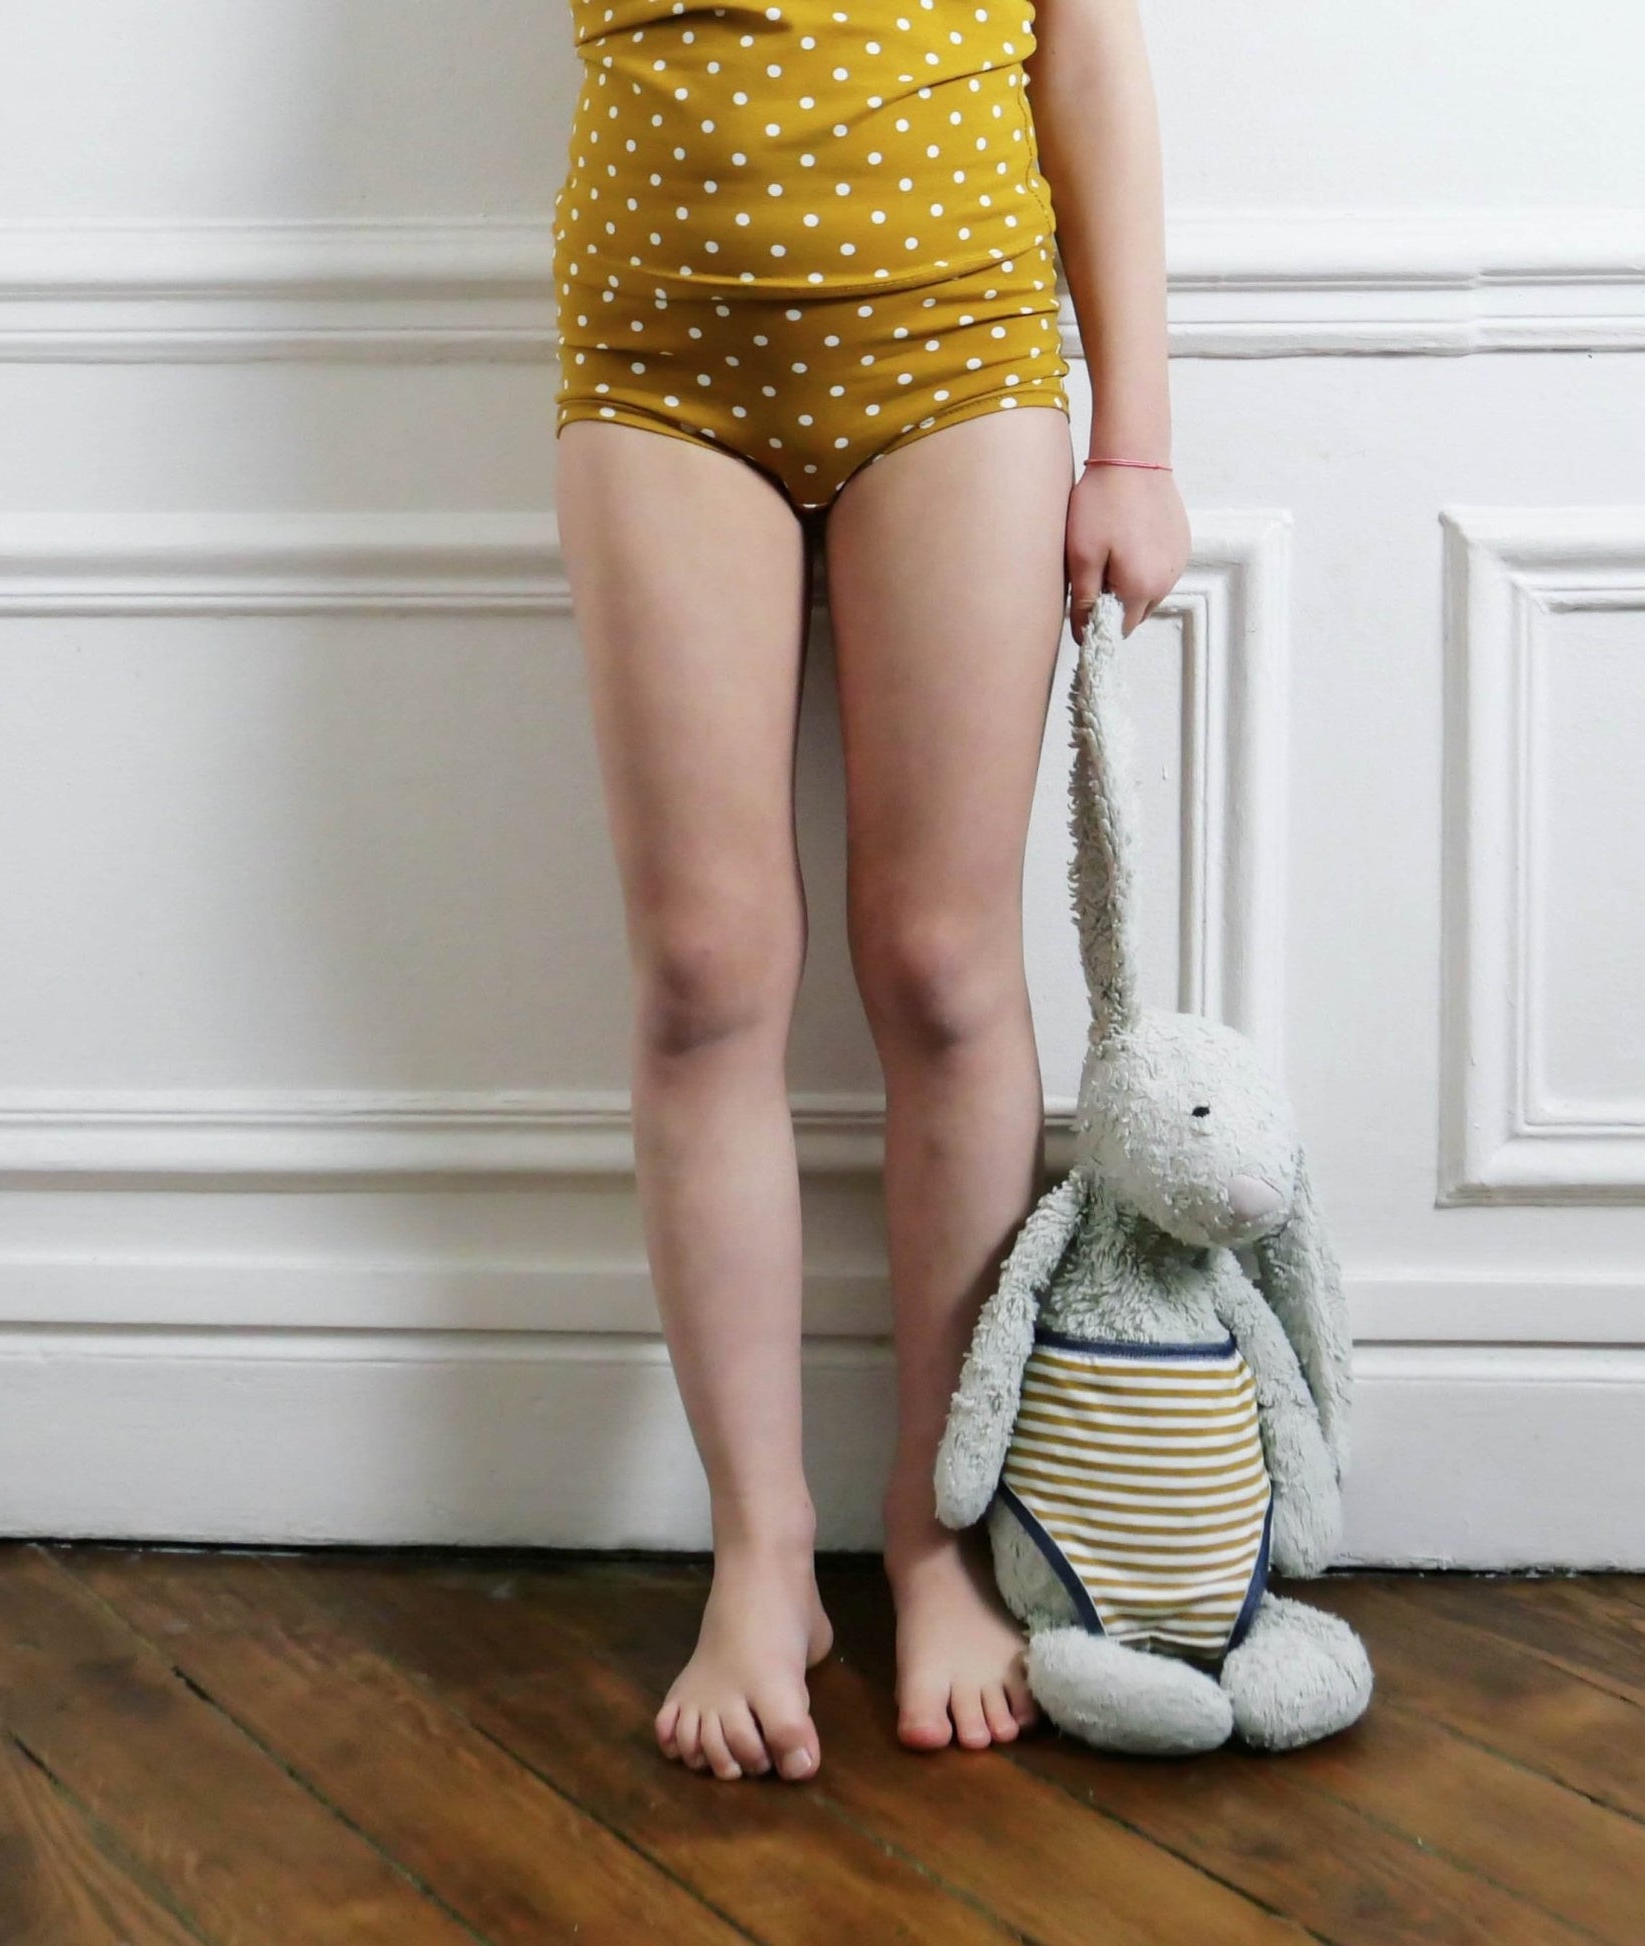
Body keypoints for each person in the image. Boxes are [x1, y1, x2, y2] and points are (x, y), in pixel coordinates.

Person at [551, 0, 1190, 1783]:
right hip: (656, 352)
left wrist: (1133, 440)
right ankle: (759, 1551)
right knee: (701, 971)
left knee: (940, 968)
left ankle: (932, 1535)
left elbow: (1088, 58)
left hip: (960, 348)